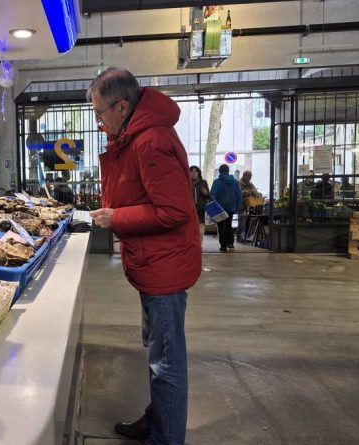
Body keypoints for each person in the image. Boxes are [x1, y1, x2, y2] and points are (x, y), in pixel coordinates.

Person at [88, 67, 201, 445]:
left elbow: (175, 211)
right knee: (158, 354)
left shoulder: (151, 141)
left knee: (167, 364)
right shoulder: (136, 135)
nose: (98, 121)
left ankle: (165, 438)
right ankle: (157, 422)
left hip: (164, 267)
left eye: (99, 112)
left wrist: (116, 216)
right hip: (154, 261)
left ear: (122, 107)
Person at [210, 164, 241, 252]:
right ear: (228, 171)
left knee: (221, 226)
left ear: (219, 171)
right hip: (231, 207)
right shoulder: (235, 182)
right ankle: (230, 243)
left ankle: (223, 245)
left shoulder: (217, 182)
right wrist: (237, 208)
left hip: (219, 208)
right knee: (228, 225)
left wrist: (212, 208)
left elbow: (212, 195)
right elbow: (239, 196)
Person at [238, 170, 260, 242]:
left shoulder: (250, 184)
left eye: (250, 177)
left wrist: (257, 194)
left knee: (249, 220)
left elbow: (254, 191)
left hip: (249, 205)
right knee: (241, 221)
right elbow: (238, 192)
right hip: (241, 205)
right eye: (249, 176)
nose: (250, 178)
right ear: (244, 175)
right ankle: (240, 236)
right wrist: (247, 192)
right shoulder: (239, 183)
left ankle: (247, 236)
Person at [190, 165, 209, 241]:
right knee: (190, 229)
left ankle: (199, 247)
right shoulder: (186, 183)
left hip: (200, 210)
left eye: (195, 171)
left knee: (200, 231)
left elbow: (208, 196)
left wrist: (206, 193)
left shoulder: (203, 183)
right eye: (191, 171)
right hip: (190, 210)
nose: (193, 173)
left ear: (198, 173)